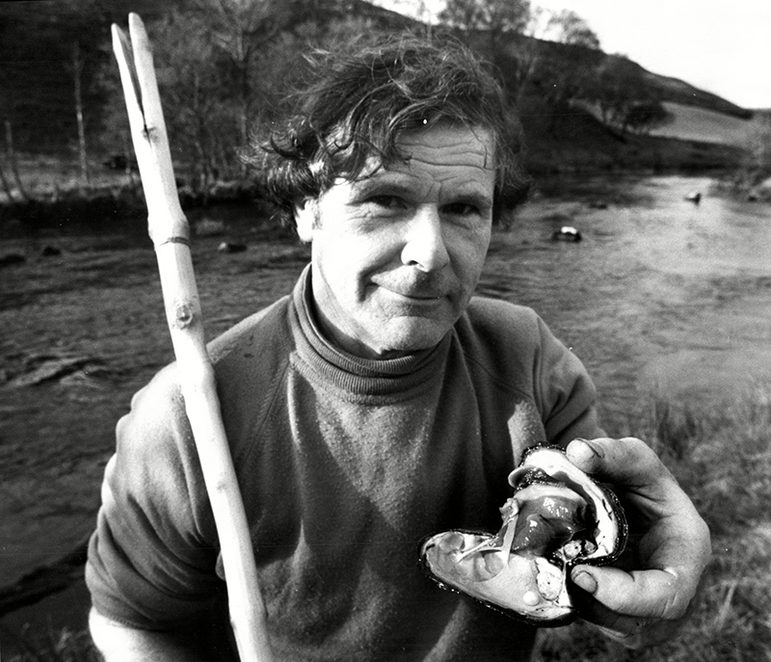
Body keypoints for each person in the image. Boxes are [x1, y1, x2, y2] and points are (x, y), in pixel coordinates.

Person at [86, 35, 710, 661]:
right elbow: (134, 622)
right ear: (308, 207)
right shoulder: (189, 417)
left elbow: (601, 576)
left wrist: (661, 564)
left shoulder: (530, 361)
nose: (429, 254)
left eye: (465, 208)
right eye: (385, 199)